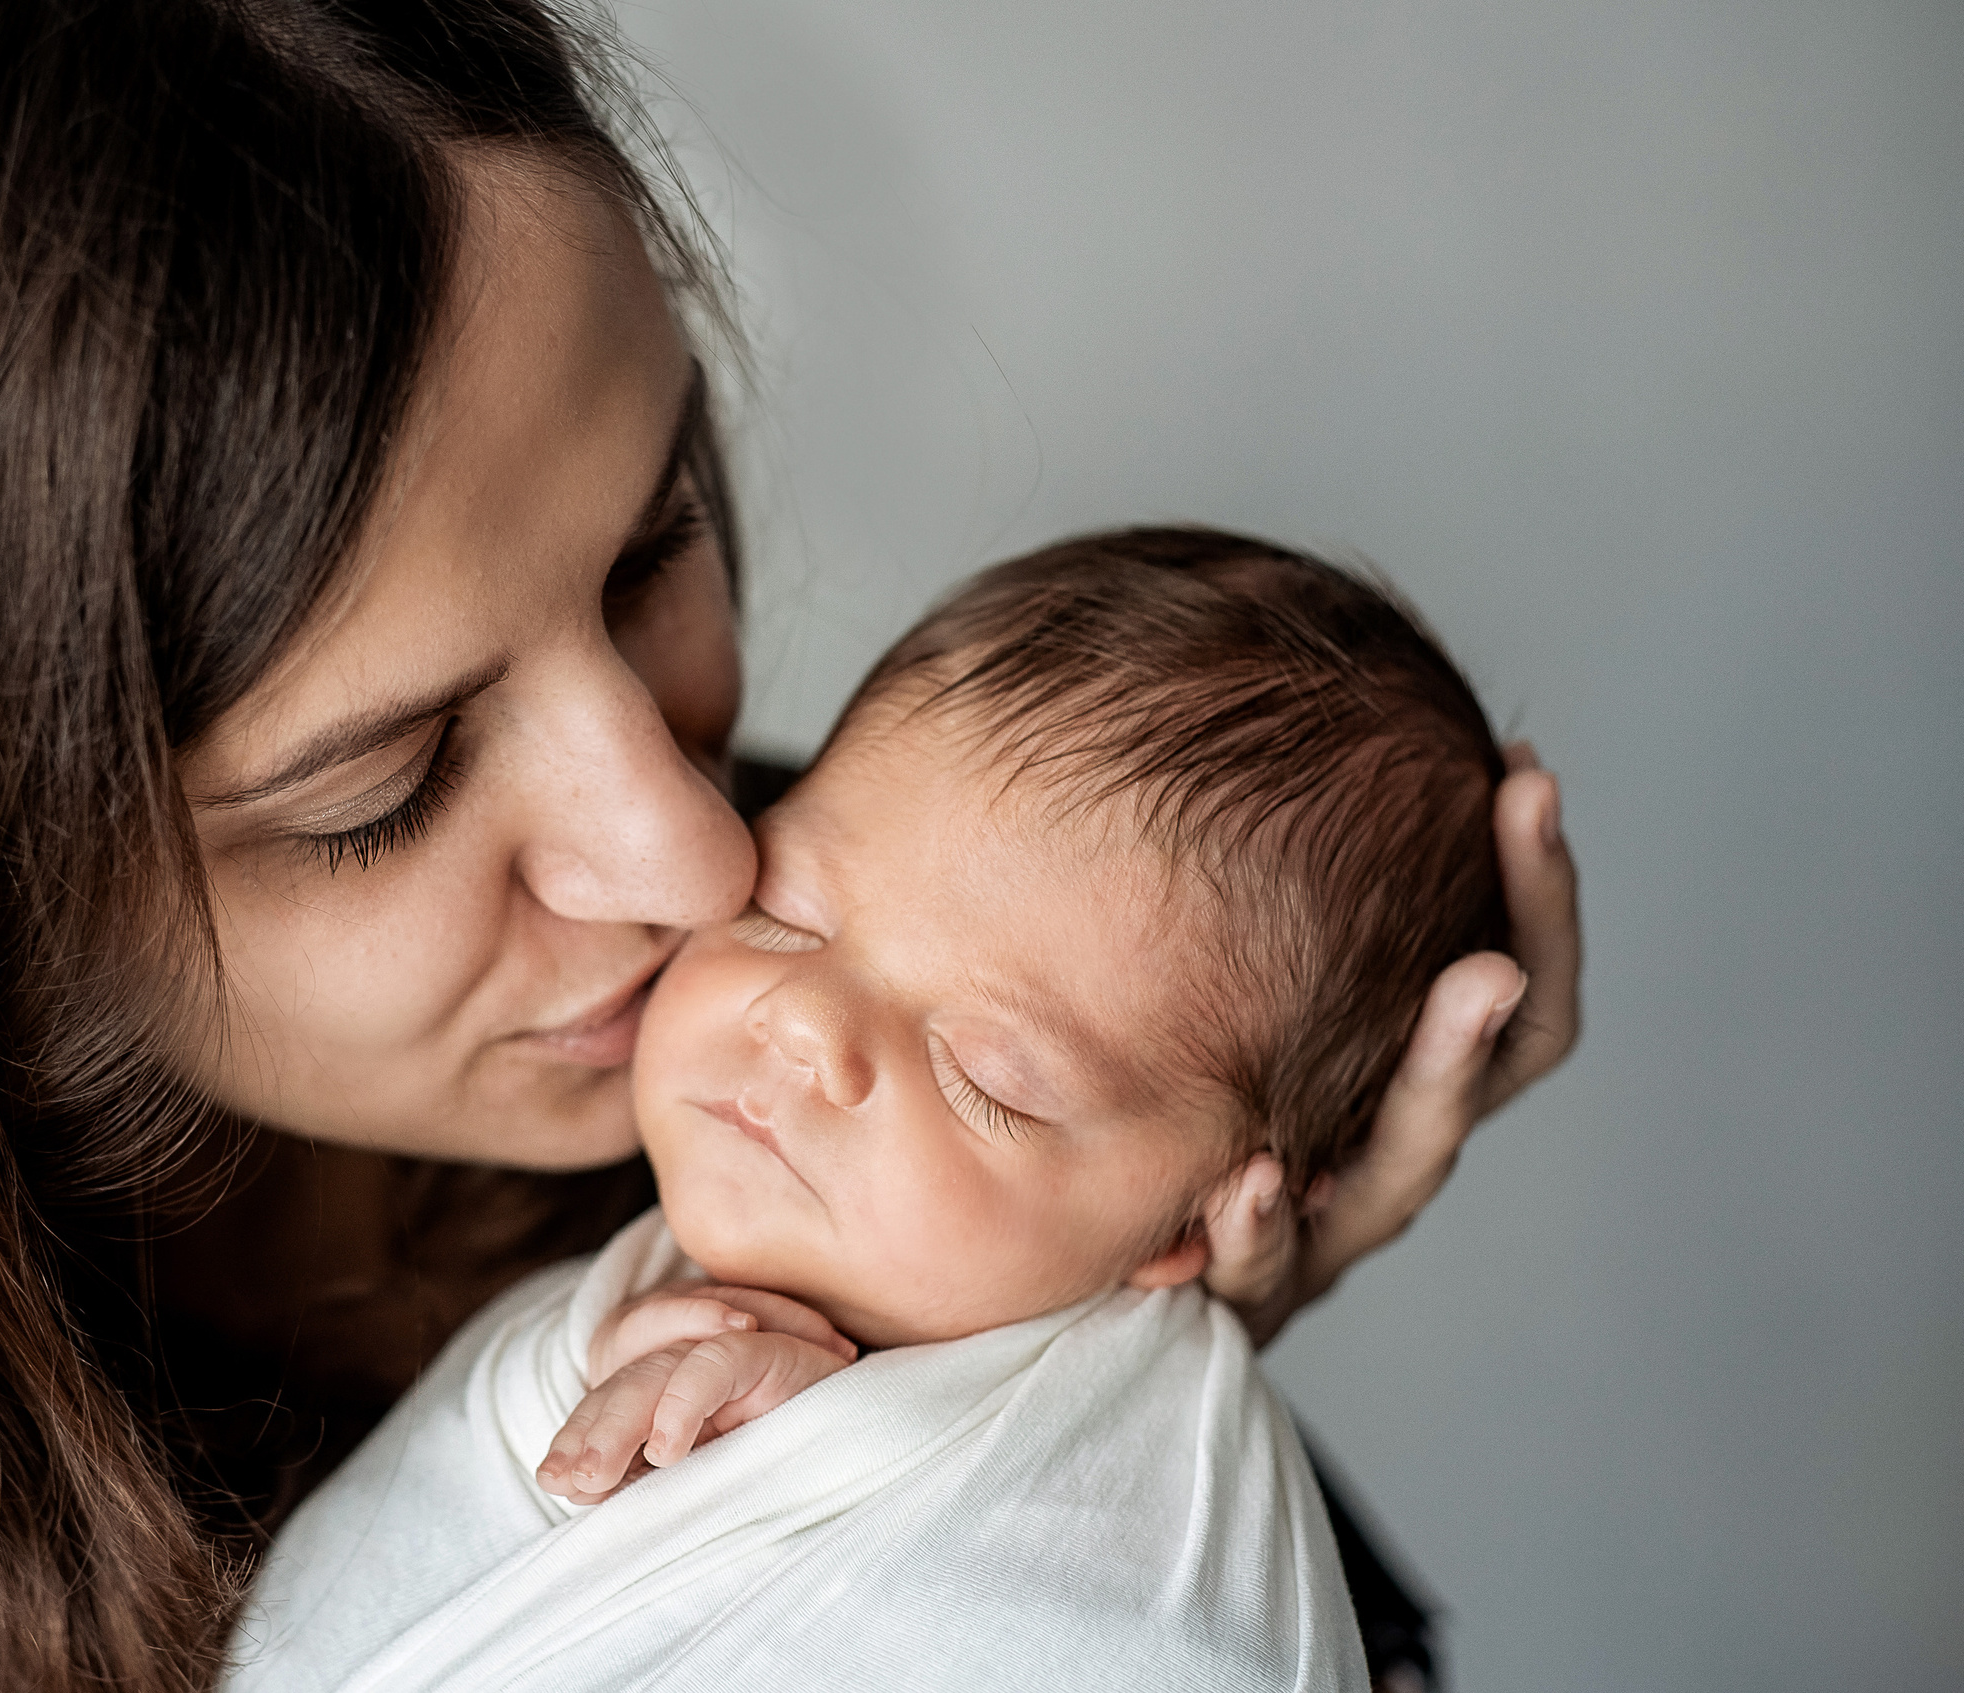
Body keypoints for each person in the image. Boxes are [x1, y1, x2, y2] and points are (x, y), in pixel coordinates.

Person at [0, 0, 1580, 1690]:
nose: (690, 855)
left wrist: (1058, 1408)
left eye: (654, 550)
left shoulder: (841, 1009)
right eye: (380, 784)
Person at [230, 529, 1501, 1691]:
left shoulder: (1155, 1574)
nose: (806, 1020)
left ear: (1191, 1224)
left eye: (986, 1074)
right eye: (783, 913)